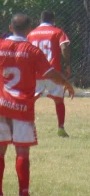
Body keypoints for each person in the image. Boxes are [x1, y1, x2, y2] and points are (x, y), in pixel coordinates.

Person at [0, 14, 75, 196]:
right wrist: (66, 83)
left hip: (1, 104)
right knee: (22, 152)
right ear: (29, 30)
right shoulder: (32, 51)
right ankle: (23, 195)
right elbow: (50, 73)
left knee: (0, 151)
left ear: (10, 27)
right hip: (22, 107)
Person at [26, 10, 72, 138]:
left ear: (41, 20)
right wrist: (67, 64)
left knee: (30, 100)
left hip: (35, 72)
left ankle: (30, 126)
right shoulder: (57, 32)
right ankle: (61, 127)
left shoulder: (31, 34)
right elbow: (64, 47)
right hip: (53, 72)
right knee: (59, 100)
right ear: (53, 20)